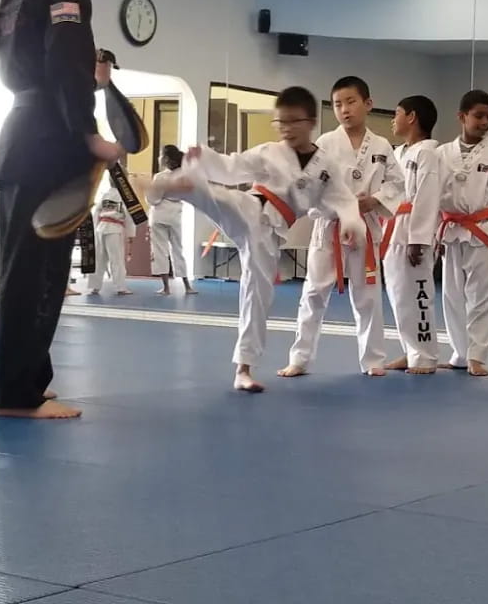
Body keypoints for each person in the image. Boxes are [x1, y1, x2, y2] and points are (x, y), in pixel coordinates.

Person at [0, 0, 122, 419]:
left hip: (21, 133)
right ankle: (17, 395)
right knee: (39, 275)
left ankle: (27, 381)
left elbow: (33, 63)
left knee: (24, 271)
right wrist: (89, 134)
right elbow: (66, 65)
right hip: (49, 141)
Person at [143, 86, 362, 392]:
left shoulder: (326, 167)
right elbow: (232, 167)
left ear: (311, 122)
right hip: (252, 206)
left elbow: (344, 200)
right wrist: (204, 158)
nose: (285, 129)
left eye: (292, 122)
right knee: (221, 198)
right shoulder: (269, 152)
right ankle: (177, 184)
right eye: (280, 122)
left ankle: (243, 370)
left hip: (271, 235)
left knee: (257, 295)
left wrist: (351, 222)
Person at [279, 76, 404, 378]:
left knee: (368, 296)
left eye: (351, 102)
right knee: (313, 292)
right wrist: (340, 206)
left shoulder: (382, 145)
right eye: (337, 104)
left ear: (368, 104)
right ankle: (300, 358)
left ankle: (373, 359)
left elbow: (398, 184)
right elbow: (308, 187)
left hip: (366, 228)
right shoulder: (324, 144)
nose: (344, 109)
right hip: (330, 228)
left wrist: (374, 201)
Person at [437, 90, 488, 377]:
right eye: (478, 116)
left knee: (482, 297)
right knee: (452, 295)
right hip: (450, 230)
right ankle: (460, 353)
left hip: (483, 232)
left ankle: (477, 355)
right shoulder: (440, 154)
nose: (485, 122)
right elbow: (429, 196)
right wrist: (428, 234)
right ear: (461, 116)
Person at [381, 95, 442, 374]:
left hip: (412, 231)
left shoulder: (428, 152)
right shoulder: (399, 153)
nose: (393, 119)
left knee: (417, 294)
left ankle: (425, 355)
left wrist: (419, 239)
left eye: (397, 113)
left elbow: (427, 197)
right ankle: (410, 349)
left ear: (412, 117)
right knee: (398, 294)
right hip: (393, 227)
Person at [150, 145, 196, 296]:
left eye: (160, 155)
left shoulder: (160, 177)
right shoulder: (184, 176)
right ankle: (187, 286)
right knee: (178, 249)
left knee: (160, 250)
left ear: (166, 159)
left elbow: (153, 199)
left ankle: (166, 287)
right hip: (176, 214)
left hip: (159, 215)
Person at [87, 178, 135, 296]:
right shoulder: (125, 196)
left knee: (98, 259)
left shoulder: (105, 195)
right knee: (116, 260)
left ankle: (95, 287)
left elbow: (96, 212)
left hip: (101, 228)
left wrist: (94, 229)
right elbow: (129, 216)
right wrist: (131, 234)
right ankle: (120, 287)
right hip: (114, 229)